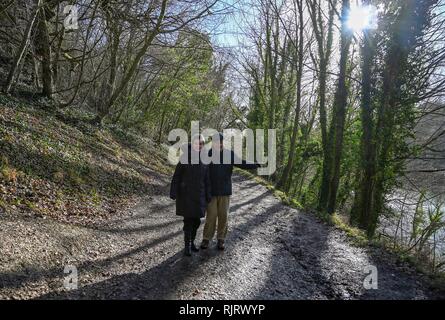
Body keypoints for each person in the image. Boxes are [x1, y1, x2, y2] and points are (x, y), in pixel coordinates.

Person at [201, 133, 259, 251]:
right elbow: (200, 172)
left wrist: (256, 164)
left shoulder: (229, 154)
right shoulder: (207, 154)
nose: (219, 144)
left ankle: (221, 239)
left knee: (224, 216)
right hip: (211, 192)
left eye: (221, 141)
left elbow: (242, 163)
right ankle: (206, 239)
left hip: (225, 191)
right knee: (211, 216)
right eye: (217, 142)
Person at [170, 135, 212, 256]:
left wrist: (208, 194)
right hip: (186, 194)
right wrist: (173, 191)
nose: (198, 146)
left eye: (201, 144)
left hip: (199, 195)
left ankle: (192, 242)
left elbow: (207, 179)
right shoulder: (185, 157)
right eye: (196, 143)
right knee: (188, 221)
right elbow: (177, 176)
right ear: (192, 144)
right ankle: (187, 246)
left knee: (197, 221)